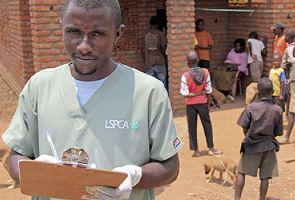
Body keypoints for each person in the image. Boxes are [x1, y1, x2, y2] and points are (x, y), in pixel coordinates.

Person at [2, 1, 182, 200]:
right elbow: (13, 157)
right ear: (62, 27)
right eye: (73, 32)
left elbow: (170, 167)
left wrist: (135, 176)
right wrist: (33, 170)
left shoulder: (148, 93)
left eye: (98, 34)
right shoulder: (39, 87)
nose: (84, 46)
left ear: (118, 34)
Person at [235, 77, 283, 200]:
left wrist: (249, 136)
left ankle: (237, 198)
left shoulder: (251, 108)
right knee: (265, 177)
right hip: (268, 146)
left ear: (258, 92)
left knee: (241, 172)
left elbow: (244, 126)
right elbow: (278, 132)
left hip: (251, 146)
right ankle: (262, 198)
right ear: (272, 92)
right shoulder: (278, 110)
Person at [180, 51, 222, 157]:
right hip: (202, 102)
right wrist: (205, 99)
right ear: (198, 61)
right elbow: (208, 90)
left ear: (188, 63)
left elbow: (185, 94)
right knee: (207, 124)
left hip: (190, 105)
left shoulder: (185, 76)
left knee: (191, 126)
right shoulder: (205, 72)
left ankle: (196, 151)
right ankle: (211, 148)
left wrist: (193, 94)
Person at [141, 16, 167, 86]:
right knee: (162, 84)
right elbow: (164, 48)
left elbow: (142, 49)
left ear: (150, 23)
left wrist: (146, 60)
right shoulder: (160, 34)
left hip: (148, 62)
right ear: (157, 24)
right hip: (160, 61)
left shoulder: (144, 34)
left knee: (150, 85)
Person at [282, 30, 295, 118]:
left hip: (289, 73)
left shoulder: (289, 49)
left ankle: (290, 114)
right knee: (290, 94)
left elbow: (292, 61)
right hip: (293, 73)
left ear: (289, 37)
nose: (285, 37)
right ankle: (288, 113)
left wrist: (287, 64)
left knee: (289, 95)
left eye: (286, 36)